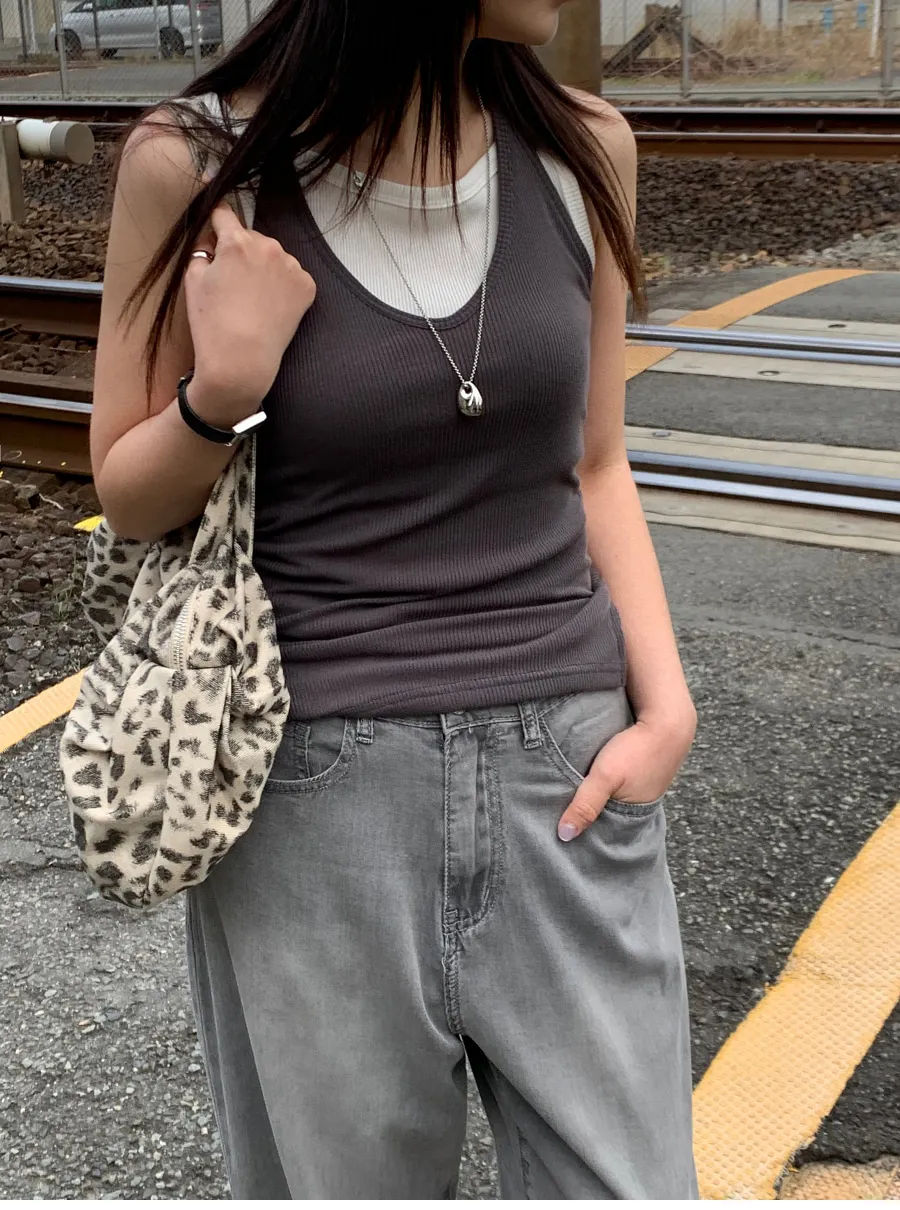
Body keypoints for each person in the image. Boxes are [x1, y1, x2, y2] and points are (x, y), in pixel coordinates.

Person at [91, 0, 699, 1198]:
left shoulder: (583, 148)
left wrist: (666, 707)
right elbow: (127, 492)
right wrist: (225, 390)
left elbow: (596, 462)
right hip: (316, 795)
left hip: (568, 772)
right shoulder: (196, 165)